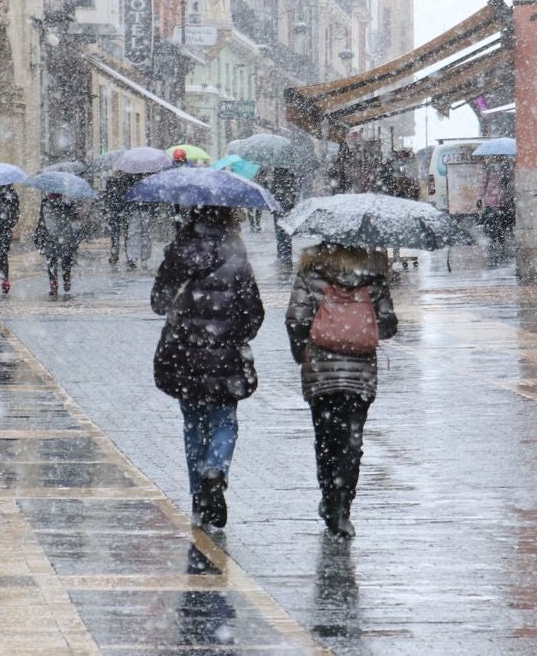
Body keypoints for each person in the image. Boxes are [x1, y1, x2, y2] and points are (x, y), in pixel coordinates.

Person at [151, 207, 264, 530]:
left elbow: (158, 302)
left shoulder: (178, 252)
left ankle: (199, 499)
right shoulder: (236, 257)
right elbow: (254, 312)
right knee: (225, 421)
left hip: (184, 357)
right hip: (225, 356)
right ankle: (215, 469)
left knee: (193, 427)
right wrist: (235, 334)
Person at [285, 242, 397, 539]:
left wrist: (303, 352)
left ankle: (329, 497)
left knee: (325, 439)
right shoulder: (373, 273)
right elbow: (387, 324)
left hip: (321, 371)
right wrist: (362, 325)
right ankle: (343, 506)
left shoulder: (311, 271)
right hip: (359, 375)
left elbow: (296, 319)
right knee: (351, 440)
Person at [34, 193, 82, 296]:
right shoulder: (67, 202)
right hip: (65, 235)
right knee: (65, 260)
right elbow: (74, 219)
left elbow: (42, 220)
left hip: (50, 235)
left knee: (52, 260)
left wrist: (39, 234)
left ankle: (54, 284)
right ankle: (66, 280)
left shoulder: (46, 202)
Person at [477, 159, 515, 264]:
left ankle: (497, 243)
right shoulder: (506, 166)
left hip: (498, 201)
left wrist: (480, 197)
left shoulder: (495, 167)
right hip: (499, 201)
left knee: (496, 224)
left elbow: (484, 183)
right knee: (498, 224)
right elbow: (484, 183)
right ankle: (497, 243)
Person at [268, 168, 298, 266]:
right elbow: (293, 192)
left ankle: (284, 257)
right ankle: (285, 257)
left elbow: (274, 191)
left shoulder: (279, 175)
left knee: (281, 233)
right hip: (286, 206)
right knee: (284, 233)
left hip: (281, 206)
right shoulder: (290, 174)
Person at [103, 173, 132, 265]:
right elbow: (107, 196)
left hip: (120, 210)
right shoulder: (125, 180)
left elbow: (107, 196)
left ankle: (125, 255)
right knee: (118, 234)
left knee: (123, 234)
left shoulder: (127, 180)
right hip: (117, 210)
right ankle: (122, 255)